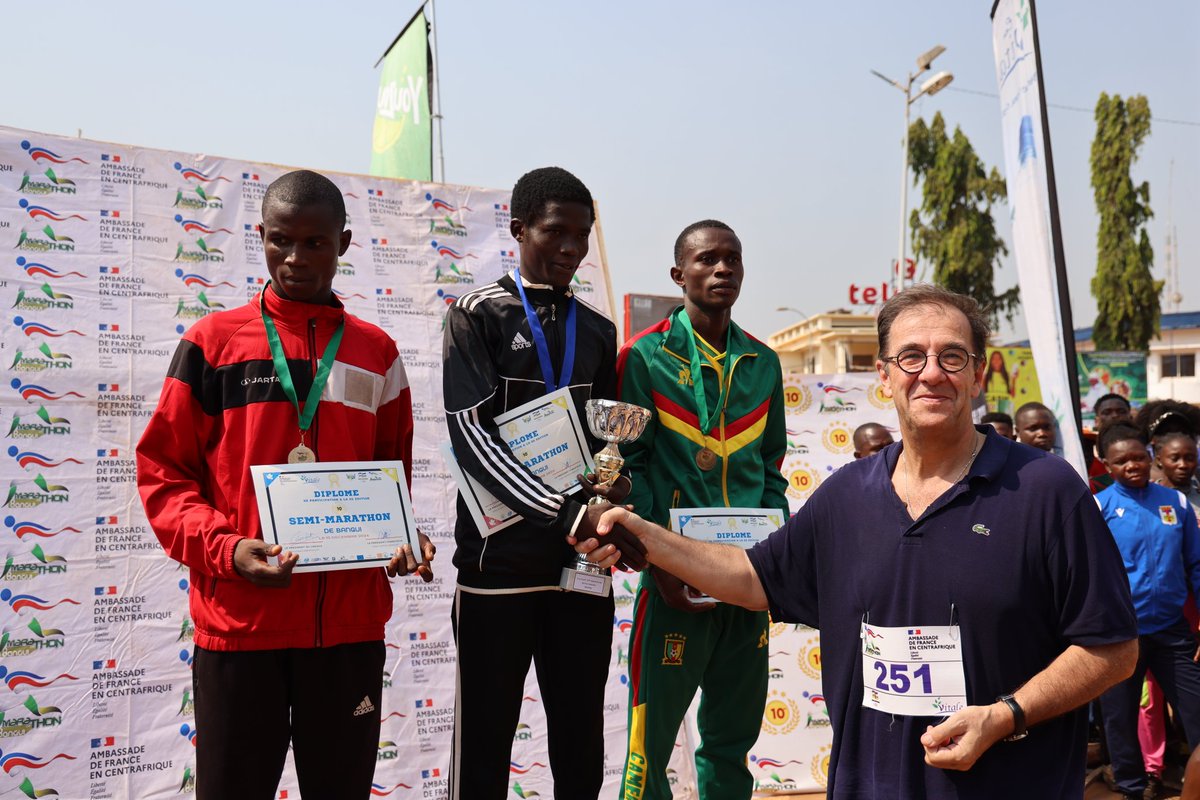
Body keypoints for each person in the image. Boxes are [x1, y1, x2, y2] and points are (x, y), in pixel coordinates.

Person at [574, 284, 1138, 798]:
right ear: (886, 375)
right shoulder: (847, 496)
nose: (932, 373)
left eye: (952, 357)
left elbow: (1112, 649)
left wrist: (1005, 715)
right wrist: (645, 535)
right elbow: (751, 578)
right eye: (912, 357)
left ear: (978, 373)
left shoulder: (1046, 489)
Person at [136, 170, 435, 800]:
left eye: (316, 243)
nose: (297, 258)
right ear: (260, 238)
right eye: (281, 241)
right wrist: (226, 549)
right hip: (242, 624)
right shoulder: (212, 345)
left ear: (344, 243)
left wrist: (404, 538)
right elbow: (163, 474)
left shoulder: (376, 352)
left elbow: (391, 479)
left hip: (348, 629)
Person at [441, 166, 644, 800]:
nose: (571, 248)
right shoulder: (477, 315)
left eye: (582, 235)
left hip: (578, 567)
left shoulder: (598, 329)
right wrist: (567, 514)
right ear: (519, 229)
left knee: (581, 741)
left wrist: (612, 492)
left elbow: (601, 446)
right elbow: (473, 438)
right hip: (497, 562)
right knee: (485, 742)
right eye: (556, 232)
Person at [613, 219, 788, 799]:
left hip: (744, 582)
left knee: (731, 744)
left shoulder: (762, 361)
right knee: (649, 749)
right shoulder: (644, 357)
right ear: (677, 273)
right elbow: (629, 469)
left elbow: (770, 472)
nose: (722, 269)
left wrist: (774, 562)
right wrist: (658, 560)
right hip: (673, 582)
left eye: (732, 259)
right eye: (708, 259)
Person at [1095, 422, 1200, 800]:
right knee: (1119, 717)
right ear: (1106, 465)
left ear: (1151, 456)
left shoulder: (1177, 504)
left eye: (1139, 457)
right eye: (1122, 461)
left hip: (1172, 631)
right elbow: (1087, 574)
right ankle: (1131, 787)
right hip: (1121, 634)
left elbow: (1197, 565)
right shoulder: (1099, 508)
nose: (1133, 465)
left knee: (1195, 709)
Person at [1157, 432, 1200, 511]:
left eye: (1190, 459)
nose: (1183, 465)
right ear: (1159, 460)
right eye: (1174, 459)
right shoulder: (1147, 496)